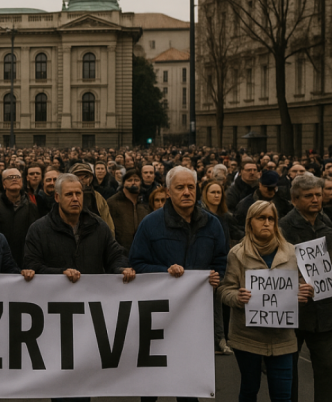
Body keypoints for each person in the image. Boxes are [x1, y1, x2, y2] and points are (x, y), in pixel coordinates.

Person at [130, 166, 226, 402]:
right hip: (157, 315)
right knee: (151, 382)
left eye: (190, 187)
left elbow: (221, 261)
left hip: (194, 316)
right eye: (180, 187)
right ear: (169, 191)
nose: (186, 192)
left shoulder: (212, 225)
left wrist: (216, 277)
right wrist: (165, 273)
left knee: (187, 381)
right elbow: (136, 263)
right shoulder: (150, 224)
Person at [219, 201, 313, 402]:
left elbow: (301, 286)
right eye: (261, 218)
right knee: (249, 390)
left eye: (271, 218)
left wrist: (303, 293)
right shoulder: (237, 254)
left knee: (282, 396)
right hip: (247, 337)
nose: (267, 223)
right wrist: (237, 297)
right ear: (249, 222)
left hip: (283, 338)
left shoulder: (292, 253)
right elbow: (225, 290)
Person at [24, 173, 133, 297]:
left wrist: (121, 268)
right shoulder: (39, 229)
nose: (75, 199)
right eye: (69, 194)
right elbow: (32, 265)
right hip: (55, 300)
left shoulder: (98, 225)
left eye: (78, 193)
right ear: (57, 197)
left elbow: (115, 255)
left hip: (91, 298)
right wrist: (61, 273)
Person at [278, 173, 332, 402]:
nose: (315, 200)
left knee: (327, 370)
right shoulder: (282, 228)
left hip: (324, 313)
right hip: (294, 312)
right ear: (294, 199)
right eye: (308, 196)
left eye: (318, 195)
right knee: (289, 374)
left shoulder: (326, 223)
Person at [201, 180, 238, 356]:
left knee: (222, 303)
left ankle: (222, 338)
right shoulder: (201, 216)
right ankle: (216, 339)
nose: (216, 196)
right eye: (212, 192)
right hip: (207, 266)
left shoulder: (225, 216)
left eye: (219, 192)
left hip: (223, 263)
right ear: (205, 195)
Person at [0, 168, 40, 267]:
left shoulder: (31, 206)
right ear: (4, 184)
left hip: (24, 259)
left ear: (21, 181)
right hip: (0, 259)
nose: (14, 179)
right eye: (10, 177)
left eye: (17, 177)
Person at [106, 169, 151, 254]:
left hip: (142, 252)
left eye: (136, 180)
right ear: (124, 183)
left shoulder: (144, 204)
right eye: (129, 180)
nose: (133, 183)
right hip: (119, 252)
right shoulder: (112, 202)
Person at [70, 163, 115, 234]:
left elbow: (107, 221)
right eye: (78, 176)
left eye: (86, 176)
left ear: (90, 178)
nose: (82, 180)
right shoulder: (67, 196)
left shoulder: (98, 197)